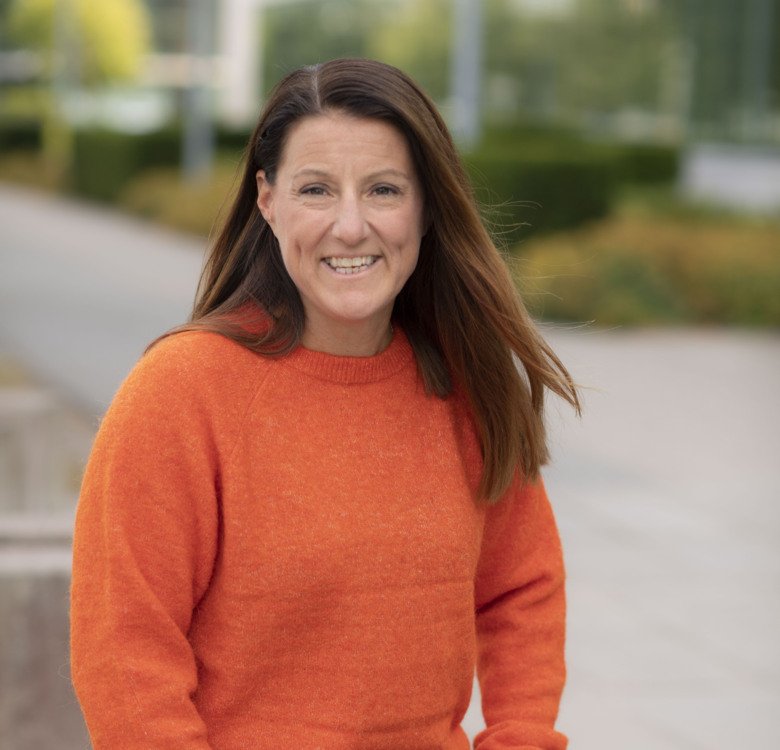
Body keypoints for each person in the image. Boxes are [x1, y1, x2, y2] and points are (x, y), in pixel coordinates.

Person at [70, 58, 580, 750]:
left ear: (426, 207)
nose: (349, 226)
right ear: (267, 199)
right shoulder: (181, 393)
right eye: (316, 189)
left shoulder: (467, 388)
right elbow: (124, 650)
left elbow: (521, 591)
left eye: (383, 190)